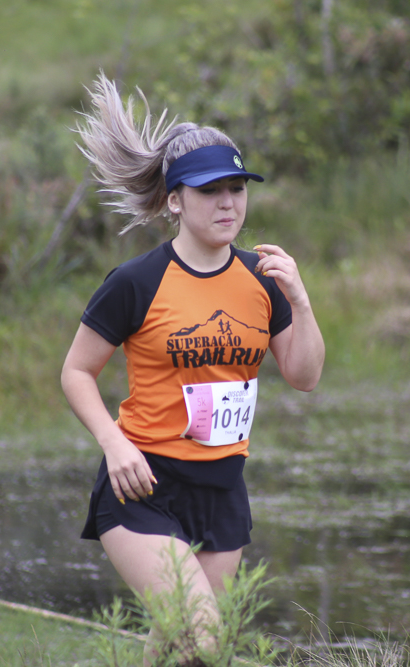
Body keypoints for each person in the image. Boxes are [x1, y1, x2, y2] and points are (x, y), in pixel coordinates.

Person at [61, 73, 325, 664]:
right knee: (203, 637)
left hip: (223, 488)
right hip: (144, 484)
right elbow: (75, 372)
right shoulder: (136, 282)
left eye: (237, 187)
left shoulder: (264, 279)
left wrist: (302, 302)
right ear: (175, 200)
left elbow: (304, 376)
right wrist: (114, 444)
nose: (228, 202)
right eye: (210, 190)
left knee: (183, 653)